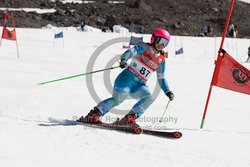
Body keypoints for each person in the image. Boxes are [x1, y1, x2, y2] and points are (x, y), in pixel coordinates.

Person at [78, 28, 174, 126]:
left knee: (149, 96)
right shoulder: (144, 47)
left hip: (139, 85)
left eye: (165, 43)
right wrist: (124, 59)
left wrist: (168, 91)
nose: (161, 44)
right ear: (154, 39)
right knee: (118, 99)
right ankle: (94, 115)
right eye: (160, 40)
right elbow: (131, 52)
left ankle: (129, 118)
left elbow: (161, 78)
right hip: (126, 79)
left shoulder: (161, 60)